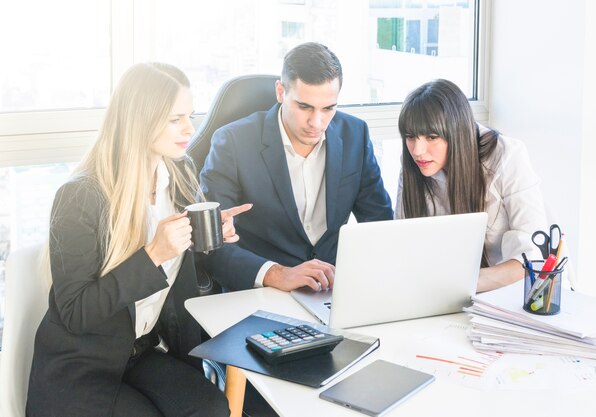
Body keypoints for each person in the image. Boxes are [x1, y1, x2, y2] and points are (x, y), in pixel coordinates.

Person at [27, 63, 251, 417]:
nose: (190, 129)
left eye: (189, 116)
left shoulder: (179, 172)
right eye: (176, 119)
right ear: (141, 120)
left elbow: (183, 266)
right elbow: (75, 313)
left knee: (210, 406)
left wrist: (208, 237)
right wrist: (153, 255)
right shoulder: (80, 196)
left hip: (141, 351)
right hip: (82, 366)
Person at [200, 42, 393, 293]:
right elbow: (211, 245)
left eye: (328, 108)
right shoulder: (233, 143)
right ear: (281, 92)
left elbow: (380, 224)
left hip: (333, 291)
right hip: (262, 293)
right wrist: (275, 274)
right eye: (305, 107)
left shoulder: (355, 134)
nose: (317, 122)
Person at [396, 79, 547, 292]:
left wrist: (455, 284)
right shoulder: (413, 166)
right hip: (447, 296)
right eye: (411, 137)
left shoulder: (507, 157)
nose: (418, 150)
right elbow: (404, 249)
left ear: (457, 133)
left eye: (432, 137)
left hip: (513, 296)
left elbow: (533, 261)